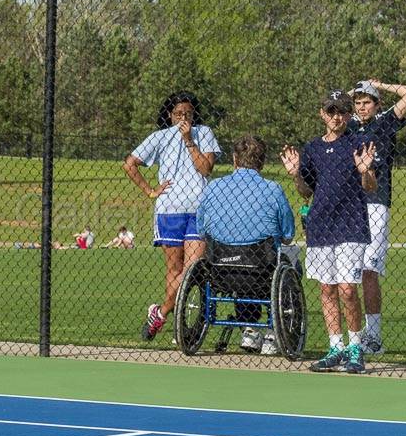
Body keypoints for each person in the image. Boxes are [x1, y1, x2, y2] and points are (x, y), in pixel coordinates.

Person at [280, 91, 377, 374]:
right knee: (327, 288)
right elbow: (305, 191)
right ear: (322, 114)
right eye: (331, 111)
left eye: (342, 111)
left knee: (348, 289)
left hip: (351, 226)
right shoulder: (311, 148)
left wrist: (364, 171)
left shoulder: (359, 143)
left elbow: (370, 187)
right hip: (321, 227)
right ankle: (336, 347)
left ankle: (355, 348)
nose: (337, 116)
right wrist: (296, 173)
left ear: (349, 115)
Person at [124, 90, 221, 340]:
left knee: (192, 268)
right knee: (174, 269)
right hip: (169, 211)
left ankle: (161, 312)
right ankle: (179, 325)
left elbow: (206, 168)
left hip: (199, 210)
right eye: (178, 114)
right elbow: (129, 164)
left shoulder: (204, 133)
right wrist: (149, 191)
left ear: (194, 114)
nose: (182, 118)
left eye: (187, 113)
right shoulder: (159, 137)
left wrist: (189, 140)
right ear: (169, 115)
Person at [196, 135, 296, 354]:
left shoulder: (213, 188)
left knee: (242, 265)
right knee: (287, 260)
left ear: (234, 159)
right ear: (261, 162)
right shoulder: (273, 189)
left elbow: (201, 230)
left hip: (221, 268)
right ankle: (273, 328)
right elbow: (288, 234)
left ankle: (249, 329)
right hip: (262, 267)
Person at [347, 79, 406, 356]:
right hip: (351, 204)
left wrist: (378, 84)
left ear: (377, 105)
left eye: (368, 102)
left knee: (369, 272)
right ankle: (353, 338)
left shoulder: (386, 121)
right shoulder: (349, 124)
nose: (362, 107)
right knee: (347, 275)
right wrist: (356, 89)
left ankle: (373, 336)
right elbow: (334, 105)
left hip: (376, 204)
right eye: (359, 102)